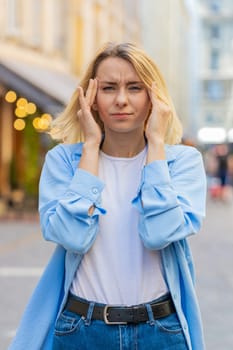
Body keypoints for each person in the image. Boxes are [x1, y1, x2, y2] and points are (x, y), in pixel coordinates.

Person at [9, 42, 206, 350]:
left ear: (154, 97)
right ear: (91, 98)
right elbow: (72, 237)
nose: (122, 100)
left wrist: (155, 142)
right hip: (81, 330)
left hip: (160, 332)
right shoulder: (64, 161)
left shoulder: (181, 163)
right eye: (109, 88)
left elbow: (160, 233)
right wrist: (90, 147)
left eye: (135, 88)